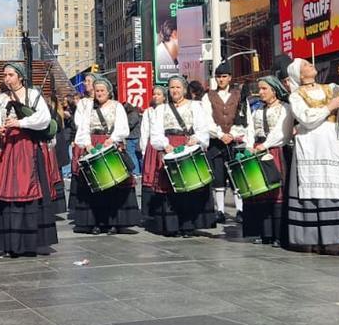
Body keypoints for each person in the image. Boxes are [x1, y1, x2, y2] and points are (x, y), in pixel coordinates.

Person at [285, 58, 339, 255]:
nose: (311, 65)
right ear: (300, 75)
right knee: (315, 192)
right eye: (305, 65)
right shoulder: (296, 95)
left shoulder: (331, 87)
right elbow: (306, 119)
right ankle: (318, 238)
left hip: (333, 143)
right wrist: (329, 107)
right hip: (312, 144)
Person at [0, 63, 58, 257]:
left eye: (10, 75)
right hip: (5, 147)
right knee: (4, 190)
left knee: (27, 188)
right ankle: (5, 243)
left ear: (20, 77)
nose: (7, 78)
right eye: (5, 75)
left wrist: (21, 122)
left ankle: (30, 243)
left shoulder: (33, 95)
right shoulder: (0, 99)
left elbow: (44, 119)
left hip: (26, 147)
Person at [142, 75, 216, 237]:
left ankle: (188, 225)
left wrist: (196, 139)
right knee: (170, 189)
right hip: (170, 147)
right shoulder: (161, 109)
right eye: (172, 87)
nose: (174, 90)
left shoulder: (196, 106)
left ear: (184, 89)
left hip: (188, 146)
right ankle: (172, 225)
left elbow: (202, 129)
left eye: (177, 87)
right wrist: (165, 145)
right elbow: (155, 133)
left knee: (190, 187)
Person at [69, 77, 140, 234]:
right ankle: (96, 222)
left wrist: (112, 139)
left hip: (110, 145)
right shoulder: (89, 109)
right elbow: (83, 128)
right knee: (94, 188)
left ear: (109, 92)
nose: (99, 93)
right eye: (97, 91)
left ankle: (113, 222)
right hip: (93, 144)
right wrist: (87, 144)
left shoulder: (117, 107)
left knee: (114, 187)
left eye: (102, 91)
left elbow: (122, 127)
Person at [241, 76, 294, 245]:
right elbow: (250, 130)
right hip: (257, 149)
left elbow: (282, 132)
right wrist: (249, 146)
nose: (261, 92)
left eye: (264, 89)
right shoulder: (256, 109)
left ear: (274, 90)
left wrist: (265, 145)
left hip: (275, 151)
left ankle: (278, 235)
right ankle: (264, 233)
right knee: (260, 191)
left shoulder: (285, 108)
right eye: (260, 89)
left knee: (276, 192)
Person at [205, 63, 244, 223]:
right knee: (218, 177)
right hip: (216, 142)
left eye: (224, 76)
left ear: (229, 78)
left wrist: (233, 134)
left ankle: (240, 210)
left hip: (234, 143)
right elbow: (206, 119)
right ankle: (220, 210)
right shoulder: (208, 96)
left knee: (237, 176)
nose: (221, 80)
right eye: (218, 77)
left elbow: (243, 117)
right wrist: (220, 134)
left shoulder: (239, 95)